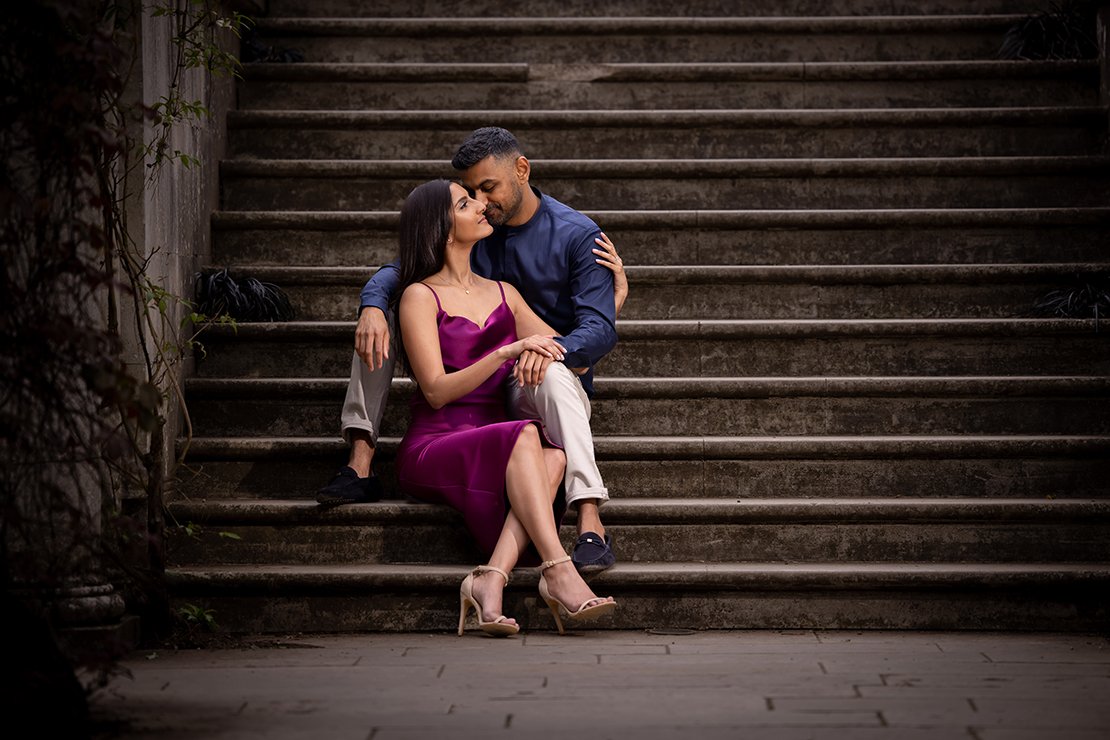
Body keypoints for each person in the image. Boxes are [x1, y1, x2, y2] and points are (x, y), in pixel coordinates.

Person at [317, 127, 628, 574]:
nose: (482, 201)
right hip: (478, 378)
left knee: (551, 368)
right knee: (380, 320)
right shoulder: (479, 231)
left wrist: (561, 338)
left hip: (540, 379)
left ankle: (589, 520)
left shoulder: (578, 236)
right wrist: (370, 302)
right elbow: (405, 265)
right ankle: (360, 459)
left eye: (488, 188)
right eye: (470, 193)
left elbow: (597, 331)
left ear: (521, 170)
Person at [393, 178, 616, 636]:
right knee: (530, 435)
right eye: (465, 202)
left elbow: (558, 348)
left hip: (501, 438)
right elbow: (434, 390)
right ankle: (557, 569)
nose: (481, 206)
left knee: (553, 452)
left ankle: (490, 577)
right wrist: (503, 353)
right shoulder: (419, 295)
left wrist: (614, 300)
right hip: (436, 441)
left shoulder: (504, 292)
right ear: (443, 227)